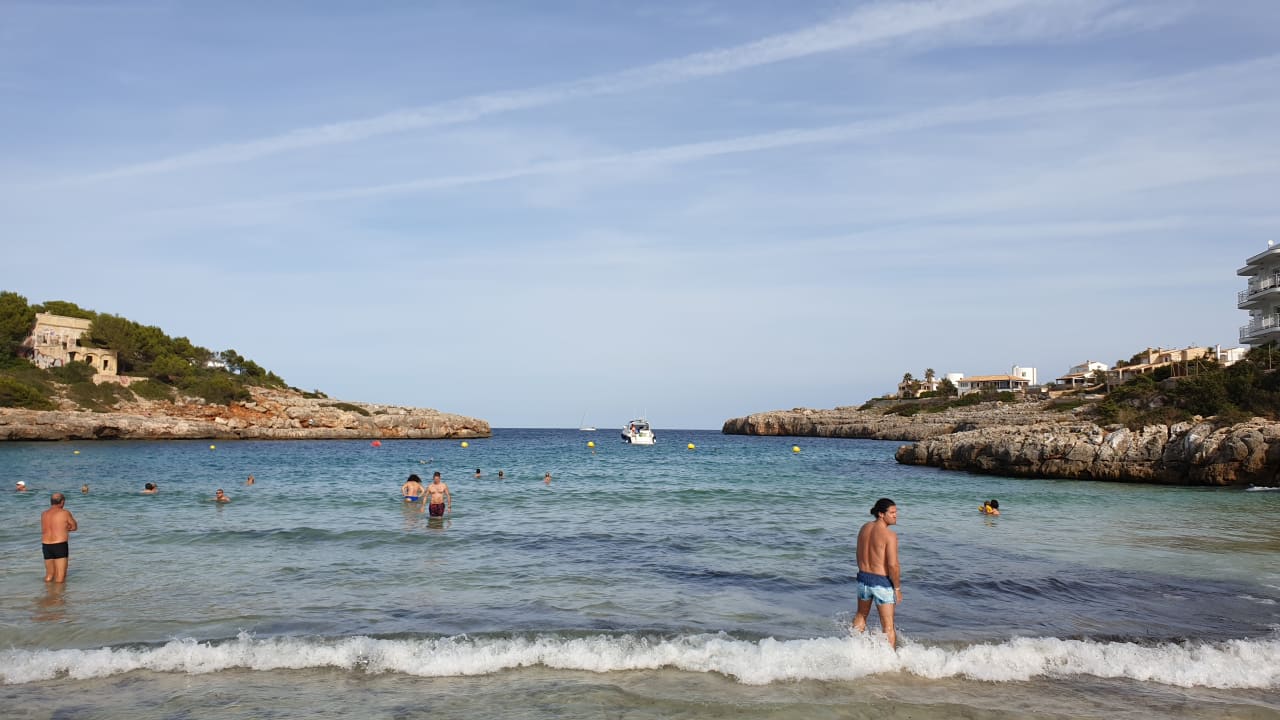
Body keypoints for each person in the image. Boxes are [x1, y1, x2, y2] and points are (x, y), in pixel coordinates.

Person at [852, 498, 902, 648]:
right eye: (892, 512)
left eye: (896, 512)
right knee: (888, 626)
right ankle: (889, 663)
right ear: (881, 514)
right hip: (881, 582)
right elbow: (893, 565)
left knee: (861, 615)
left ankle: (854, 650)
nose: (895, 515)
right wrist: (897, 588)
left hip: (863, 579)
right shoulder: (890, 535)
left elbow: (858, 553)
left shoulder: (864, 528)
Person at [41, 492, 78, 583]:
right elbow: (74, 527)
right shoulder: (65, 513)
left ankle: (47, 593)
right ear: (62, 502)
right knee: (60, 577)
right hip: (59, 545)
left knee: (49, 575)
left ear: (51, 502)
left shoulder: (44, 514)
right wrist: (65, 528)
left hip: (46, 545)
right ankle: (57, 597)